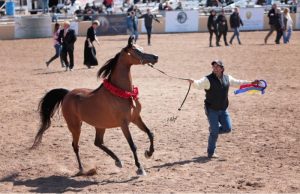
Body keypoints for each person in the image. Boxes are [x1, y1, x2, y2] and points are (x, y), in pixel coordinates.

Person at [188, 60, 259, 158]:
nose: (215, 68)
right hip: (211, 109)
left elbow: (239, 83)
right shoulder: (207, 79)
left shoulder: (227, 78)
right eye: (214, 67)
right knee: (215, 132)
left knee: (227, 129)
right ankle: (211, 152)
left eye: (217, 67)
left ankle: (213, 129)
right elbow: (199, 84)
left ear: (222, 68)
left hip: (223, 108)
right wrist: (193, 82)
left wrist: (251, 83)